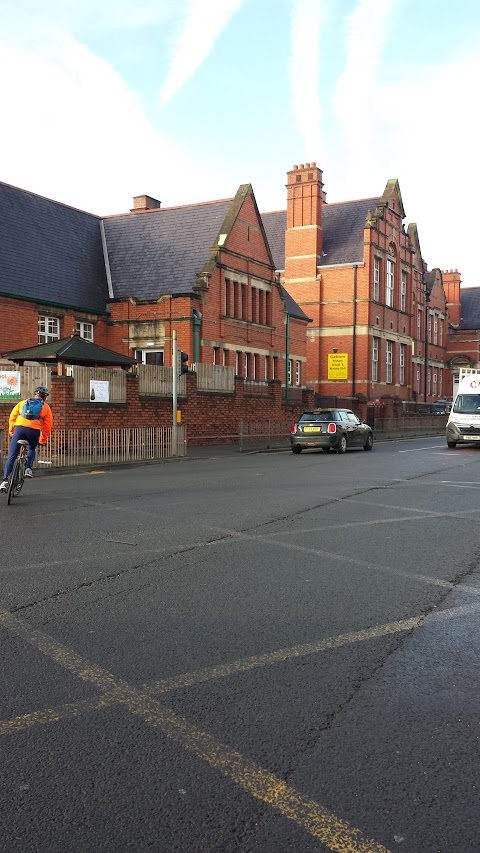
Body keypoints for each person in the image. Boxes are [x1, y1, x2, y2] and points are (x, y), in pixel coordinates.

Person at [0, 386, 53, 492]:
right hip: (33, 431)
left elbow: (13, 416)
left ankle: (5, 481)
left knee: (12, 456)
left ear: (35, 394)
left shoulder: (23, 402)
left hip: (19, 429)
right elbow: (47, 425)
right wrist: (42, 439)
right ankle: (28, 469)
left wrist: (12, 430)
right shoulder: (45, 407)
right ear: (45, 397)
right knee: (32, 448)